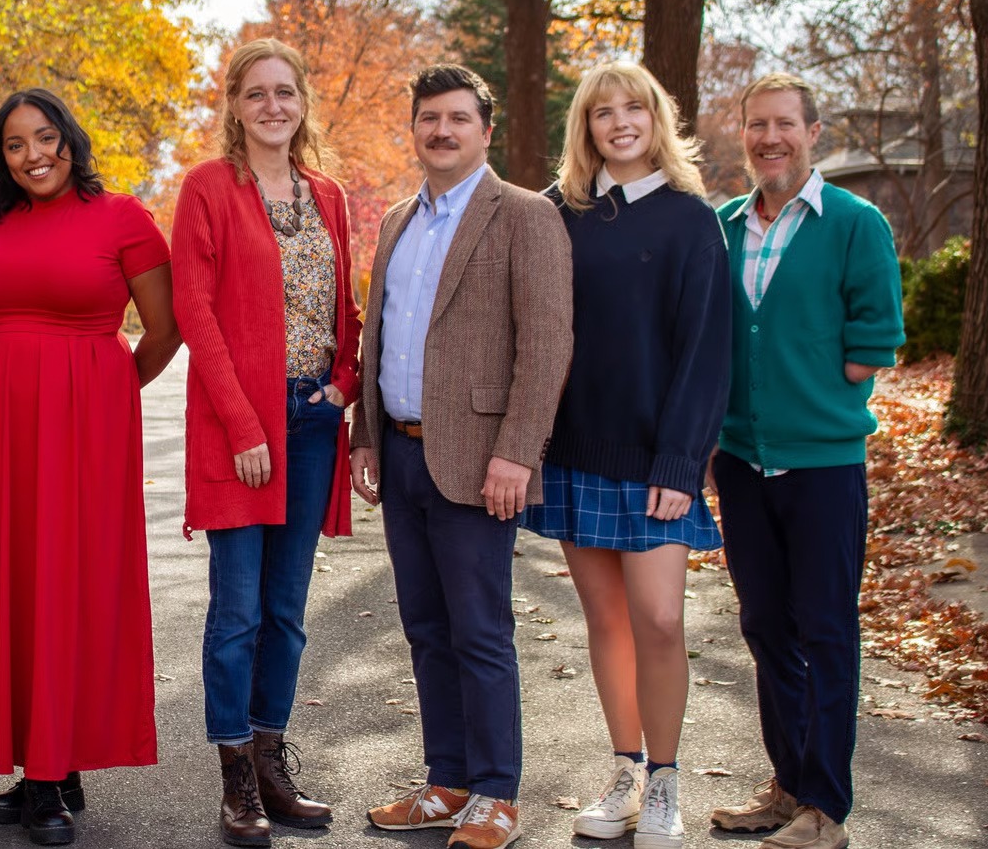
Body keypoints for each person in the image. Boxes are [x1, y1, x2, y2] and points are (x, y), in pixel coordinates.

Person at [0, 88, 180, 847]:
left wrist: (104, 392)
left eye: (46, 137)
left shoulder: (123, 217)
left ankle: (48, 776)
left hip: (85, 427)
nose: (34, 154)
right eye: (15, 145)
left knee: (67, 580)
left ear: (70, 140)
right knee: (7, 579)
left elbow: (165, 331)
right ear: (0, 158)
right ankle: (48, 764)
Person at [352, 65, 572, 849]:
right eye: (428, 119)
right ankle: (446, 782)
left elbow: (546, 345)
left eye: (456, 118)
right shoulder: (398, 221)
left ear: (485, 129)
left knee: (480, 629)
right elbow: (378, 336)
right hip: (403, 456)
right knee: (424, 626)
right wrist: (365, 435)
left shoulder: (523, 217)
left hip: (481, 462)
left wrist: (518, 453)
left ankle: (496, 795)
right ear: (413, 128)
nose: (440, 131)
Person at [515, 62, 730, 849]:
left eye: (632, 107)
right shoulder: (556, 213)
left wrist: (680, 463)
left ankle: (668, 782)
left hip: (653, 462)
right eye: (602, 111)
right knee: (606, 621)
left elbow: (707, 351)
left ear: (656, 119)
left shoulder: (689, 220)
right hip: (574, 450)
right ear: (586, 127)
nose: (619, 121)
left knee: (662, 620)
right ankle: (625, 774)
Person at [172, 39, 361, 846]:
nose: (273, 106)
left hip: (314, 418)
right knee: (238, 611)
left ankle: (274, 761)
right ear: (235, 107)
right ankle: (235, 779)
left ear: (302, 102)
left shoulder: (330, 196)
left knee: (287, 612)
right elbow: (194, 310)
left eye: (285, 92)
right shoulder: (209, 190)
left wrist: (344, 387)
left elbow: (349, 312)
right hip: (241, 426)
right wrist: (246, 425)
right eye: (257, 94)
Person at [707, 73, 902, 849]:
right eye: (757, 125)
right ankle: (788, 785)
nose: (768, 138)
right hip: (742, 462)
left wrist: (810, 385)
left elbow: (875, 340)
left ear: (812, 132)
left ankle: (827, 807)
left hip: (822, 464)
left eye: (784, 124)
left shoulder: (854, 222)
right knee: (764, 626)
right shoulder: (723, 225)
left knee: (824, 629)